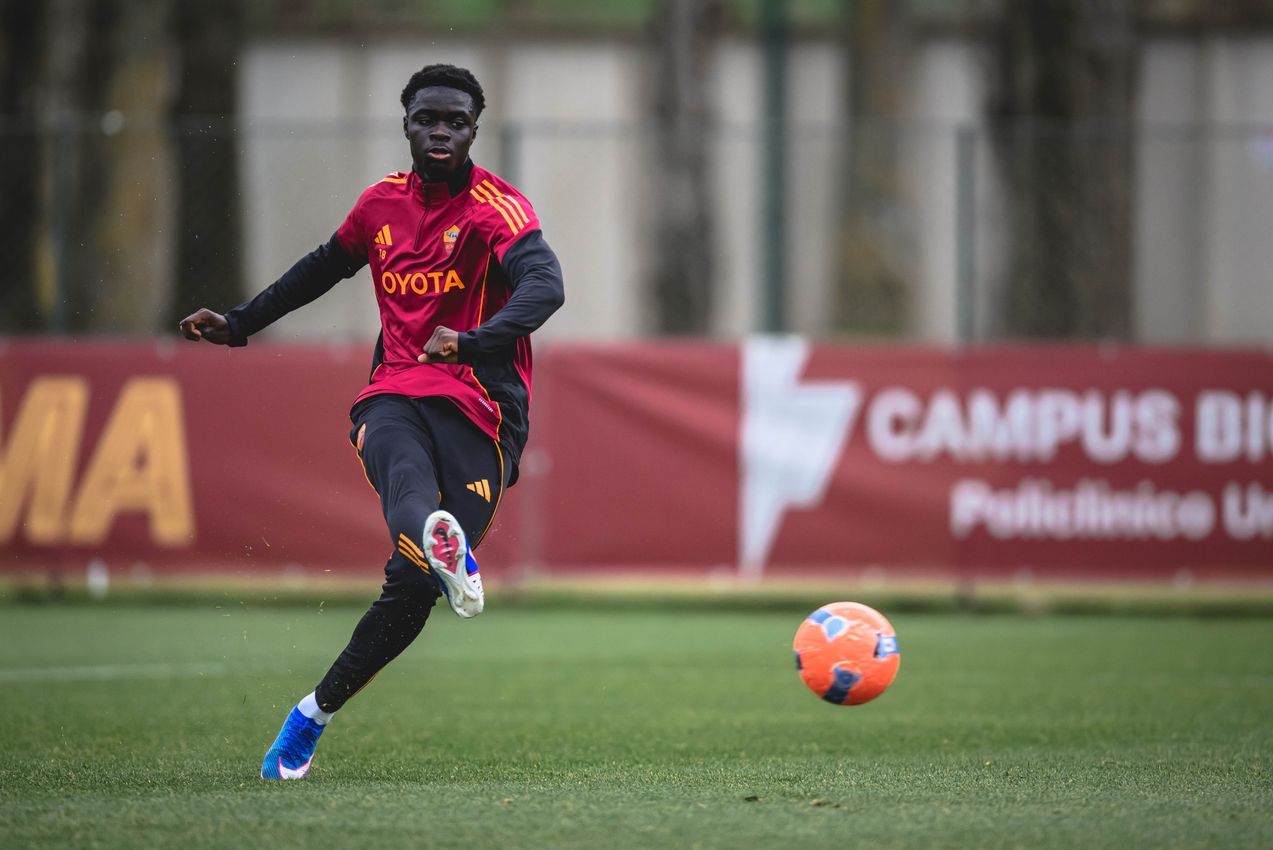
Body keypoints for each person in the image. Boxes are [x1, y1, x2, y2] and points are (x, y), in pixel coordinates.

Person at [179, 63, 564, 780]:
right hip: (395, 388)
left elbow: (546, 285)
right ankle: (434, 536)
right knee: (399, 465)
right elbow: (323, 266)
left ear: (474, 129)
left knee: (412, 588)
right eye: (427, 118)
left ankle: (310, 713)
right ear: (408, 124)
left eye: (454, 120)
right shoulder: (379, 205)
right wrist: (239, 324)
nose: (440, 129)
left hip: (483, 408)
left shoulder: (497, 209)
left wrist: (472, 340)